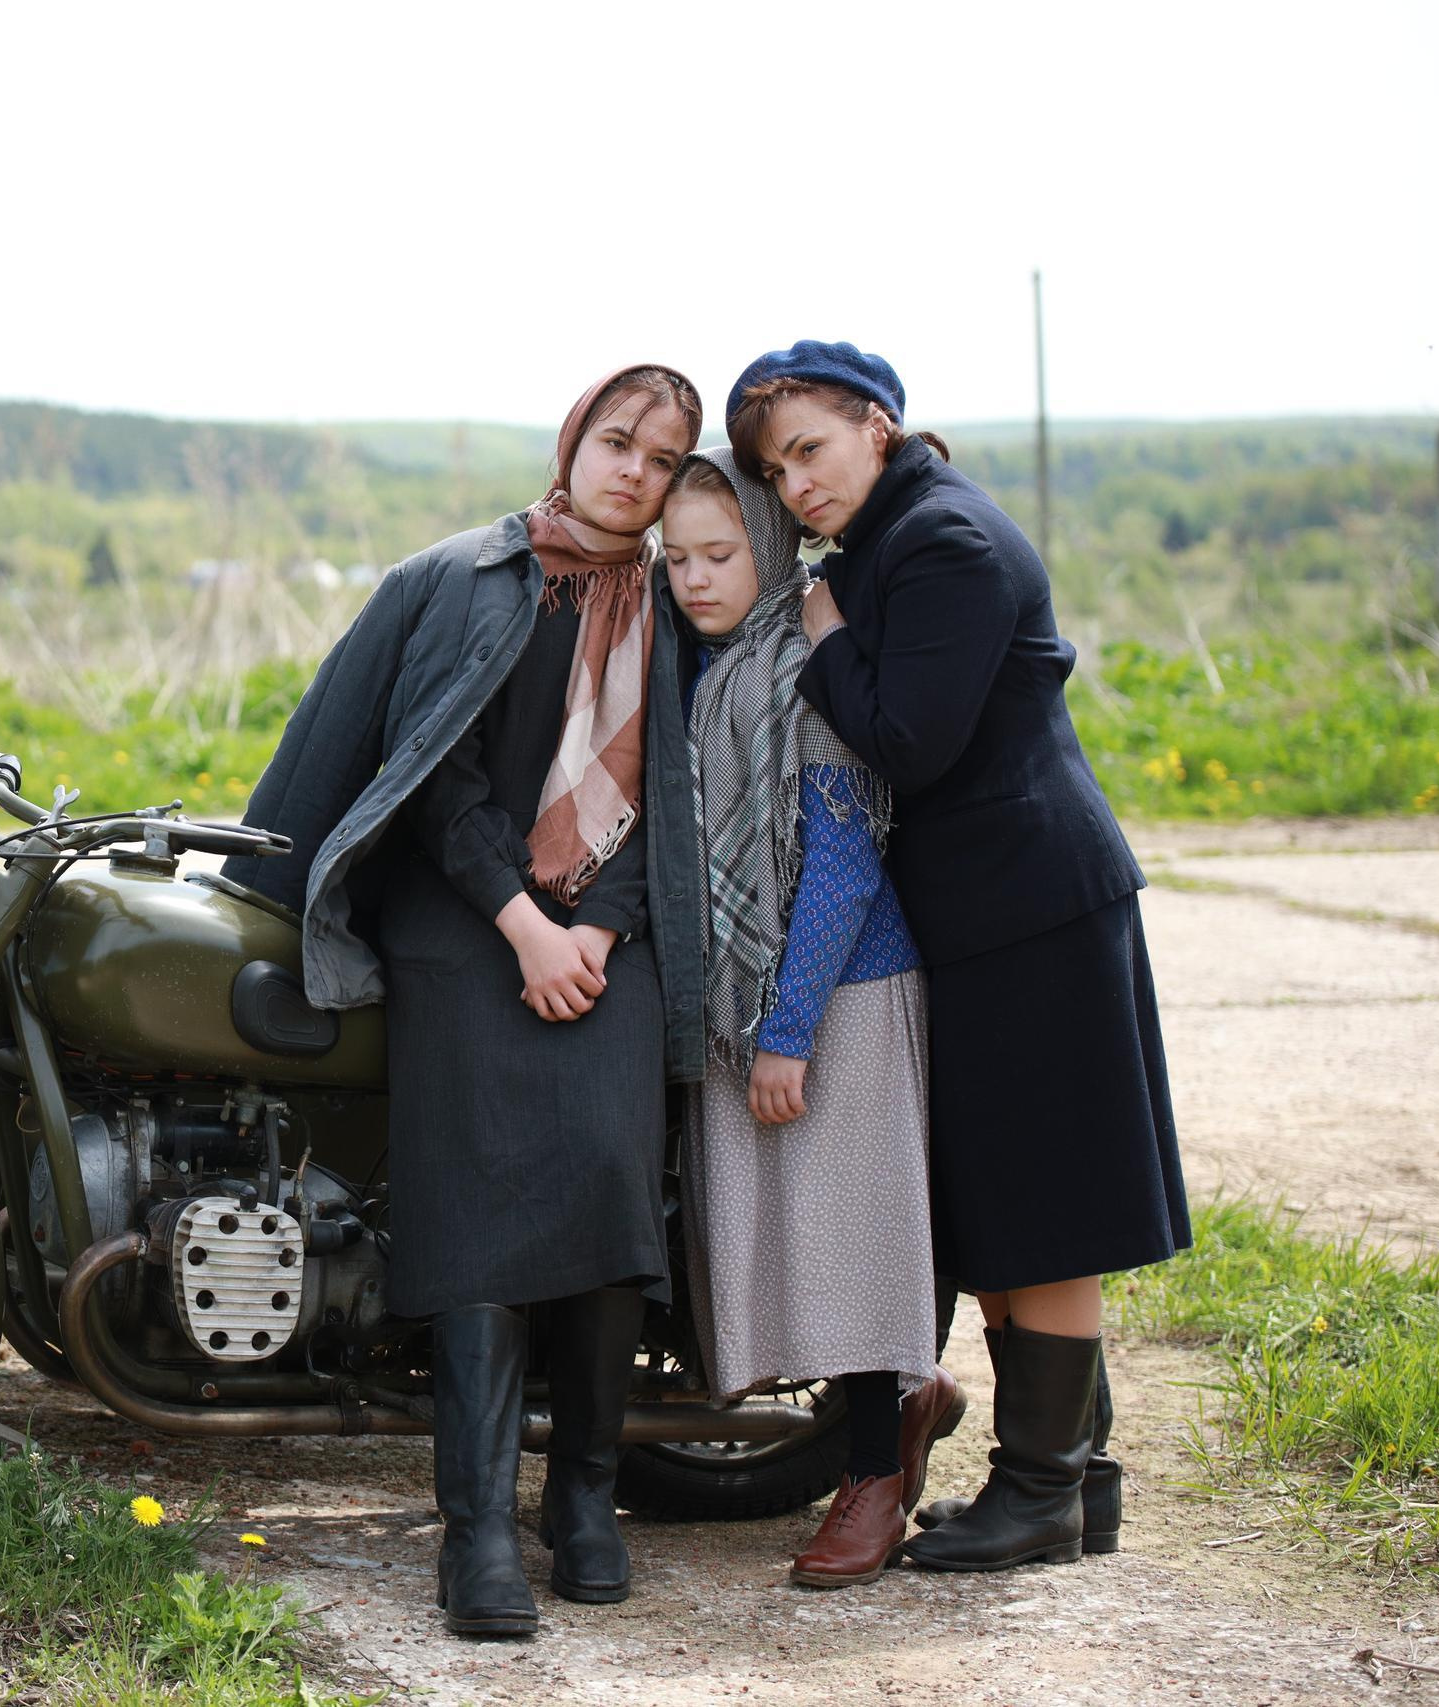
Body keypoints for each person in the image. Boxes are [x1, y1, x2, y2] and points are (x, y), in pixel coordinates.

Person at [223, 364, 709, 1638]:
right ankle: (477, 1527)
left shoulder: (672, 607)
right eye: (617, 442)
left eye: (661, 462)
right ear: (574, 440)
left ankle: (587, 1496)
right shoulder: (469, 578)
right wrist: (524, 927)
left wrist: (595, 929)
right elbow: (430, 779)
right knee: (481, 1207)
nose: (632, 474)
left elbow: (675, 797)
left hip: (615, 932)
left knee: (613, 1189)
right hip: (461, 918)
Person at [724, 341, 1190, 1573]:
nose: (796, 488)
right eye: (774, 472)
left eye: (810, 450)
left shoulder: (942, 542)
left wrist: (823, 638)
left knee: (1046, 1208)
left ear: (877, 424)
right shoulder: (893, 535)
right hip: (989, 913)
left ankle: (1040, 1489)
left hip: (1029, 903)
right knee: (1008, 1197)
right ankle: (1073, 1484)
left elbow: (906, 743)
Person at [660, 448, 965, 1589]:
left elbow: (840, 863)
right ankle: (898, 1402)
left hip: (838, 989)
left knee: (855, 1238)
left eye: (720, 553)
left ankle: (874, 1481)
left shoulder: (798, 663)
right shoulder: (699, 668)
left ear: (771, 547)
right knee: (783, 1241)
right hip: (744, 995)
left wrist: (789, 1032)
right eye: (677, 558)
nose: (695, 579)